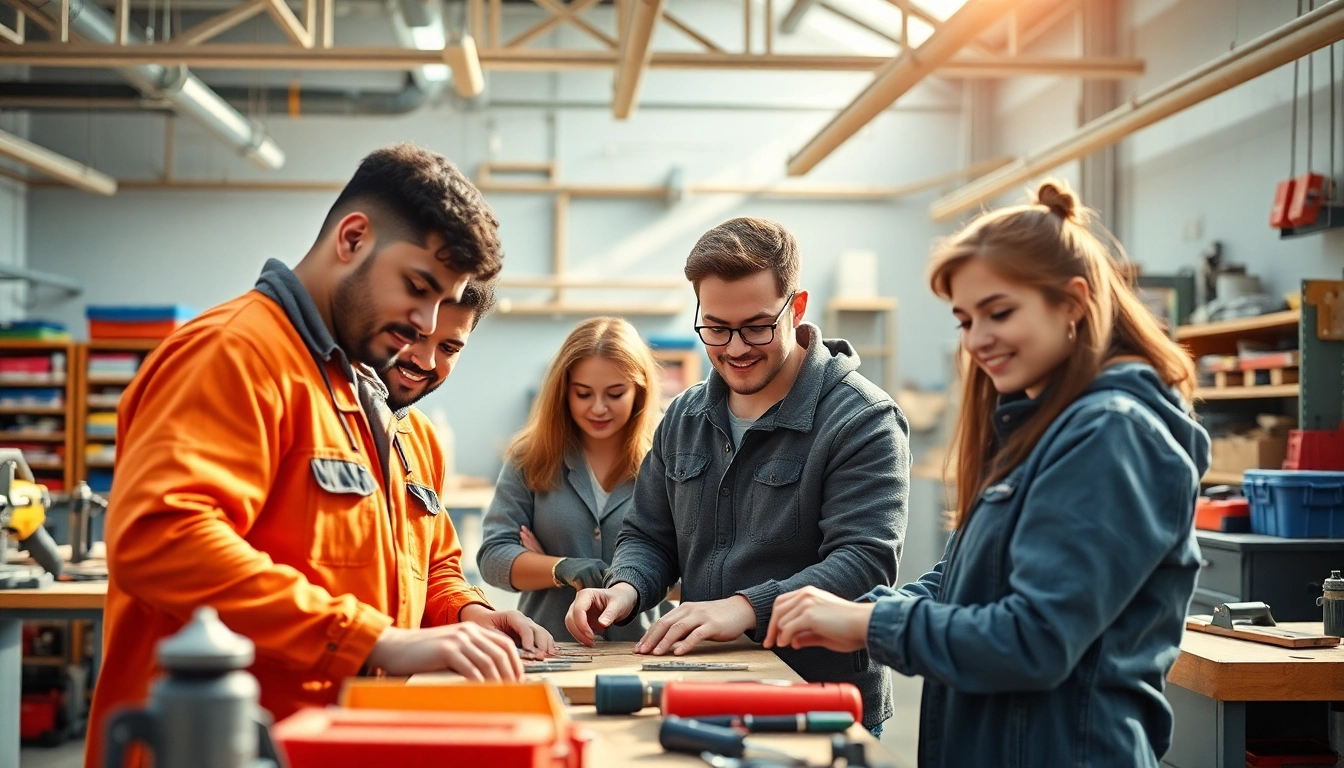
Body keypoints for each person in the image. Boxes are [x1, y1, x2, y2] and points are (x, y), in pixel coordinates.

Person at [89, 145, 556, 768]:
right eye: (418, 288)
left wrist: (464, 615)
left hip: (319, 741)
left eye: (442, 307)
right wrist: (374, 639)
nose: (423, 325)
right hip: (208, 745)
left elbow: (404, 562)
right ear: (353, 238)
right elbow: (162, 537)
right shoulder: (233, 354)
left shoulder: (358, 394)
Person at [763, 180, 1210, 767]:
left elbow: (1035, 640)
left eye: (999, 313)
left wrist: (871, 623)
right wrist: (852, 612)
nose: (977, 340)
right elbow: (964, 580)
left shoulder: (1111, 433)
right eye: (965, 320)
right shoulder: (1039, 428)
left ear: (1072, 303)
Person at [565, 217, 910, 733]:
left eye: (756, 327)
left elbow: (864, 561)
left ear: (796, 306)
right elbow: (648, 535)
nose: (736, 348)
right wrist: (626, 589)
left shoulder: (862, 420)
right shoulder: (683, 417)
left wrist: (747, 607)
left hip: (817, 697)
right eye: (716, 329)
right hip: (702, 684)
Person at [477, 317, 670, 642]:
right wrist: (560, 568)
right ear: (563, 391)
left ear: (640, 391)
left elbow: (695, 563)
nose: (598, 408)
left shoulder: (668, 457)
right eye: (583, 394)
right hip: (548, 648)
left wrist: (538, 564)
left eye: (615, 393)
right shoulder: (531, 456)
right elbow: (494, 557)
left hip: (642, 650)